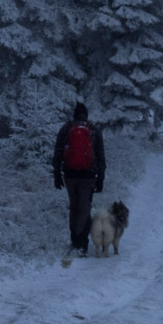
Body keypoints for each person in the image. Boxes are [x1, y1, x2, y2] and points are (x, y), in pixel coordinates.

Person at [52, 102, 105, 256]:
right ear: (86, 115)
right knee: (84, 209)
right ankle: (82, 244)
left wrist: (56, 174)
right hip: (88, 176)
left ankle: (74, 241)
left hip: (69, 175)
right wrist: (101, 178)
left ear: (74, 114)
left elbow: (57, 152)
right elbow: (101, 157)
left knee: (74, 207)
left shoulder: (66, 129)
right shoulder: (94, 130)